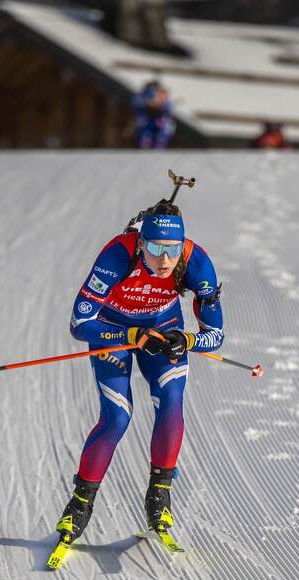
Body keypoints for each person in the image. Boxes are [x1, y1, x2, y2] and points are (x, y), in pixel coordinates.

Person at [55, 195, 224, 547]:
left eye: (172, 249)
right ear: (140, 242)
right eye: (154, 248)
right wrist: (131, 334)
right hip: (114, 331)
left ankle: (160, 494)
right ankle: (80, 505)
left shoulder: (195, 261)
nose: (164, 260)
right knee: (117, 417)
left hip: (163, 329)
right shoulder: (117, 255)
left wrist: (187, 340)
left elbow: (216, 334)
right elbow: (79, 323)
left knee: (171, 399)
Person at [131, 80, 175, 150]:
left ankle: (159, 147)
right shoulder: (142, 96)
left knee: (163, 131)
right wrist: (148, 105)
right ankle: (146, 146)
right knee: (145, 135)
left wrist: (160, 105)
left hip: (159, 120)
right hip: (147, 120)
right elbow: (137, 105)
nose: (154, 91)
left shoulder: (164, 98)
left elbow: (168, 109)